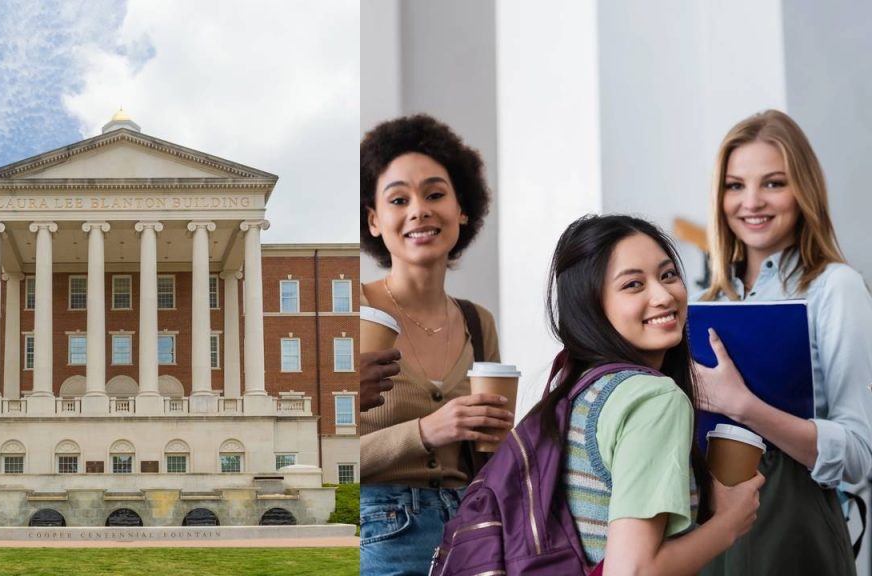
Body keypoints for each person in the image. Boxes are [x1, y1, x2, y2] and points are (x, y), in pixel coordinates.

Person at [535, 214, 764, 574]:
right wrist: (730, 523)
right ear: (590, 304)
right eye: (633, 285)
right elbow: (632, 571)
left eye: (668, 275)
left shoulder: (574, 382)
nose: (663, 295)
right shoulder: (654, 400)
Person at [697, 110, 872, 575]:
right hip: (708, 537)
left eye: (773, 183)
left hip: (794, 536)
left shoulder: (835, 288)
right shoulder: (706, 302)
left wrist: (744, 406)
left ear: (804, 191)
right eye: (735, 185)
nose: (751, 202)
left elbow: (859, 455)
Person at [359, 114, 514, 576]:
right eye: (398, 199)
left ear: (462, 208)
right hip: (378, 533)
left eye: (435, 194)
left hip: (469, 532)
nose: (419, 211)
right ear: (374, 220)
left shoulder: (478, 322)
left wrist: (501, 439)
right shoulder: (349, 312)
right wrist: (426, 432)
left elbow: (488, 460)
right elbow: (318, 456)